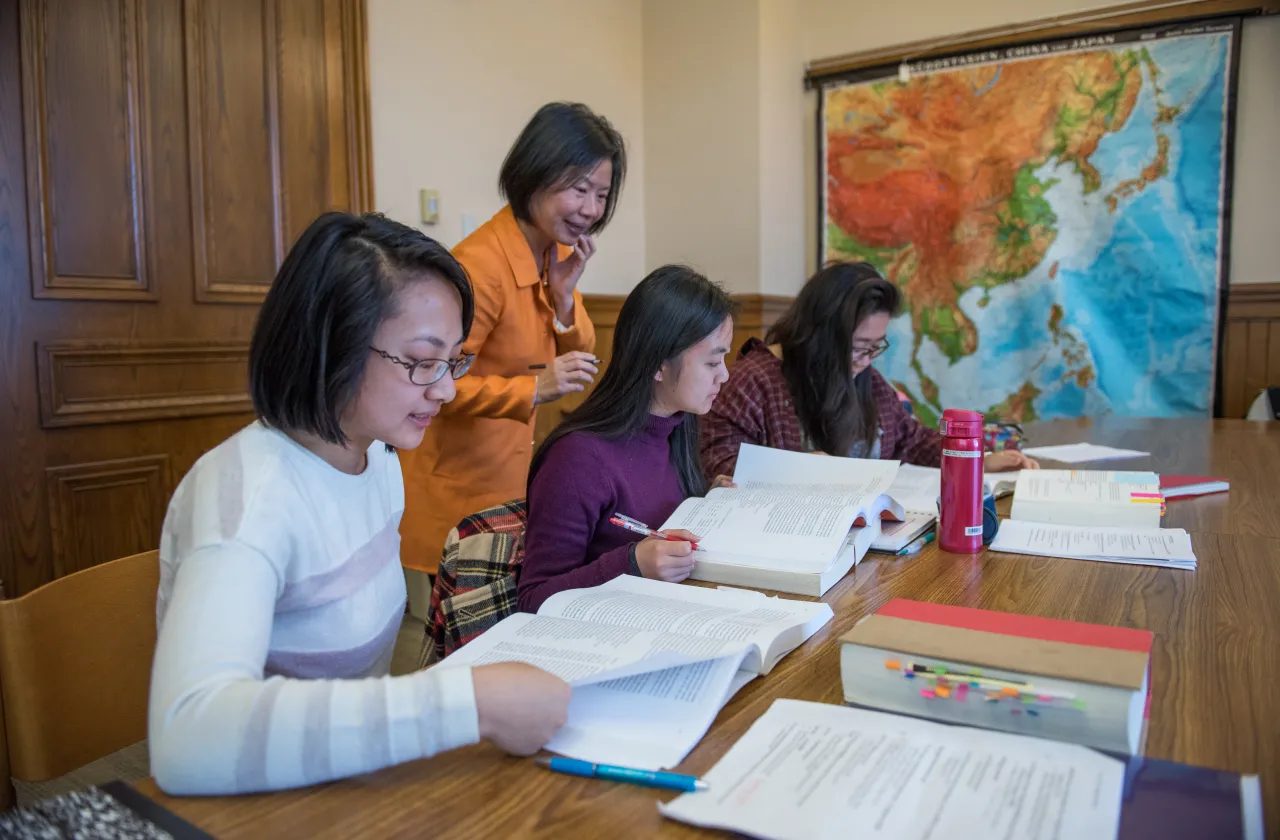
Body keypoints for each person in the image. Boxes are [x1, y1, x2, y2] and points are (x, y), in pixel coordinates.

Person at [148, 213, 569, 796]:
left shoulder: (377, 460)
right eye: (423, 362)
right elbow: (188, 738)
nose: (445, 389)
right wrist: (467, 702)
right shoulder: (245, 499)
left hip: (340, 788)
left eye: (453, 362)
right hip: (252, 803)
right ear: (332, 347)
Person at [399, 102, 627, 581]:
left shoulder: (554, 254)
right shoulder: (479, 267)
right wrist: (533, 390)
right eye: (579, 188)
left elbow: (582, 355)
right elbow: (433, 383)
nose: (591, 209)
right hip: (458, 495)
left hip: (511, 486)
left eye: (602, 194)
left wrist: (564, 299)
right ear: (535, 175)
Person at [517, 266, 736, 614]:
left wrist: (708, 502)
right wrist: (632, 564)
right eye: (713, 362)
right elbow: (534, 600)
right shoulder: (577, 460)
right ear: (658, 365)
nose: (724, 375)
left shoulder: (677, 425)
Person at [701, 261, 1039, 477]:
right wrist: (794, 471)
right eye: (859, 346)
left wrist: (977, 460)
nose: (867, 359)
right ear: (820, 334)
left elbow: (911, 439)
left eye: (876, 346)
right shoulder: (755, 380)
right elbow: (713, 460)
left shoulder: (864, 377)